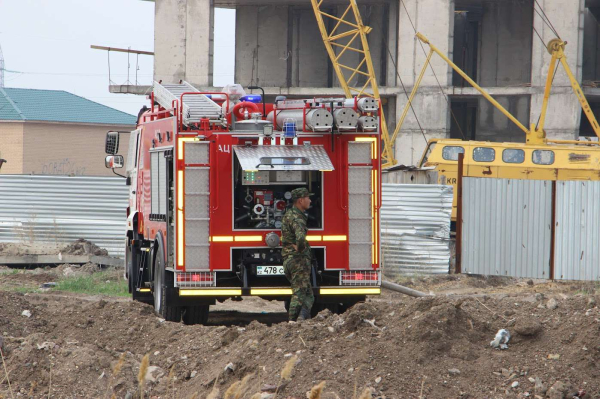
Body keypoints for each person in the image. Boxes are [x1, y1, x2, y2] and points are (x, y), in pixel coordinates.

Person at [281, 187, 315, 321]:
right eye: (308, 198)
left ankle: (302, 317)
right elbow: (300, 237)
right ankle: (292, 321)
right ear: (301, 200)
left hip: (288, 258)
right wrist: (301, 248)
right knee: (299, 293)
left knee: (308, 294)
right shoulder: (298, 218)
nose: (310, 201)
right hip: (298, 260)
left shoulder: (288, 214)